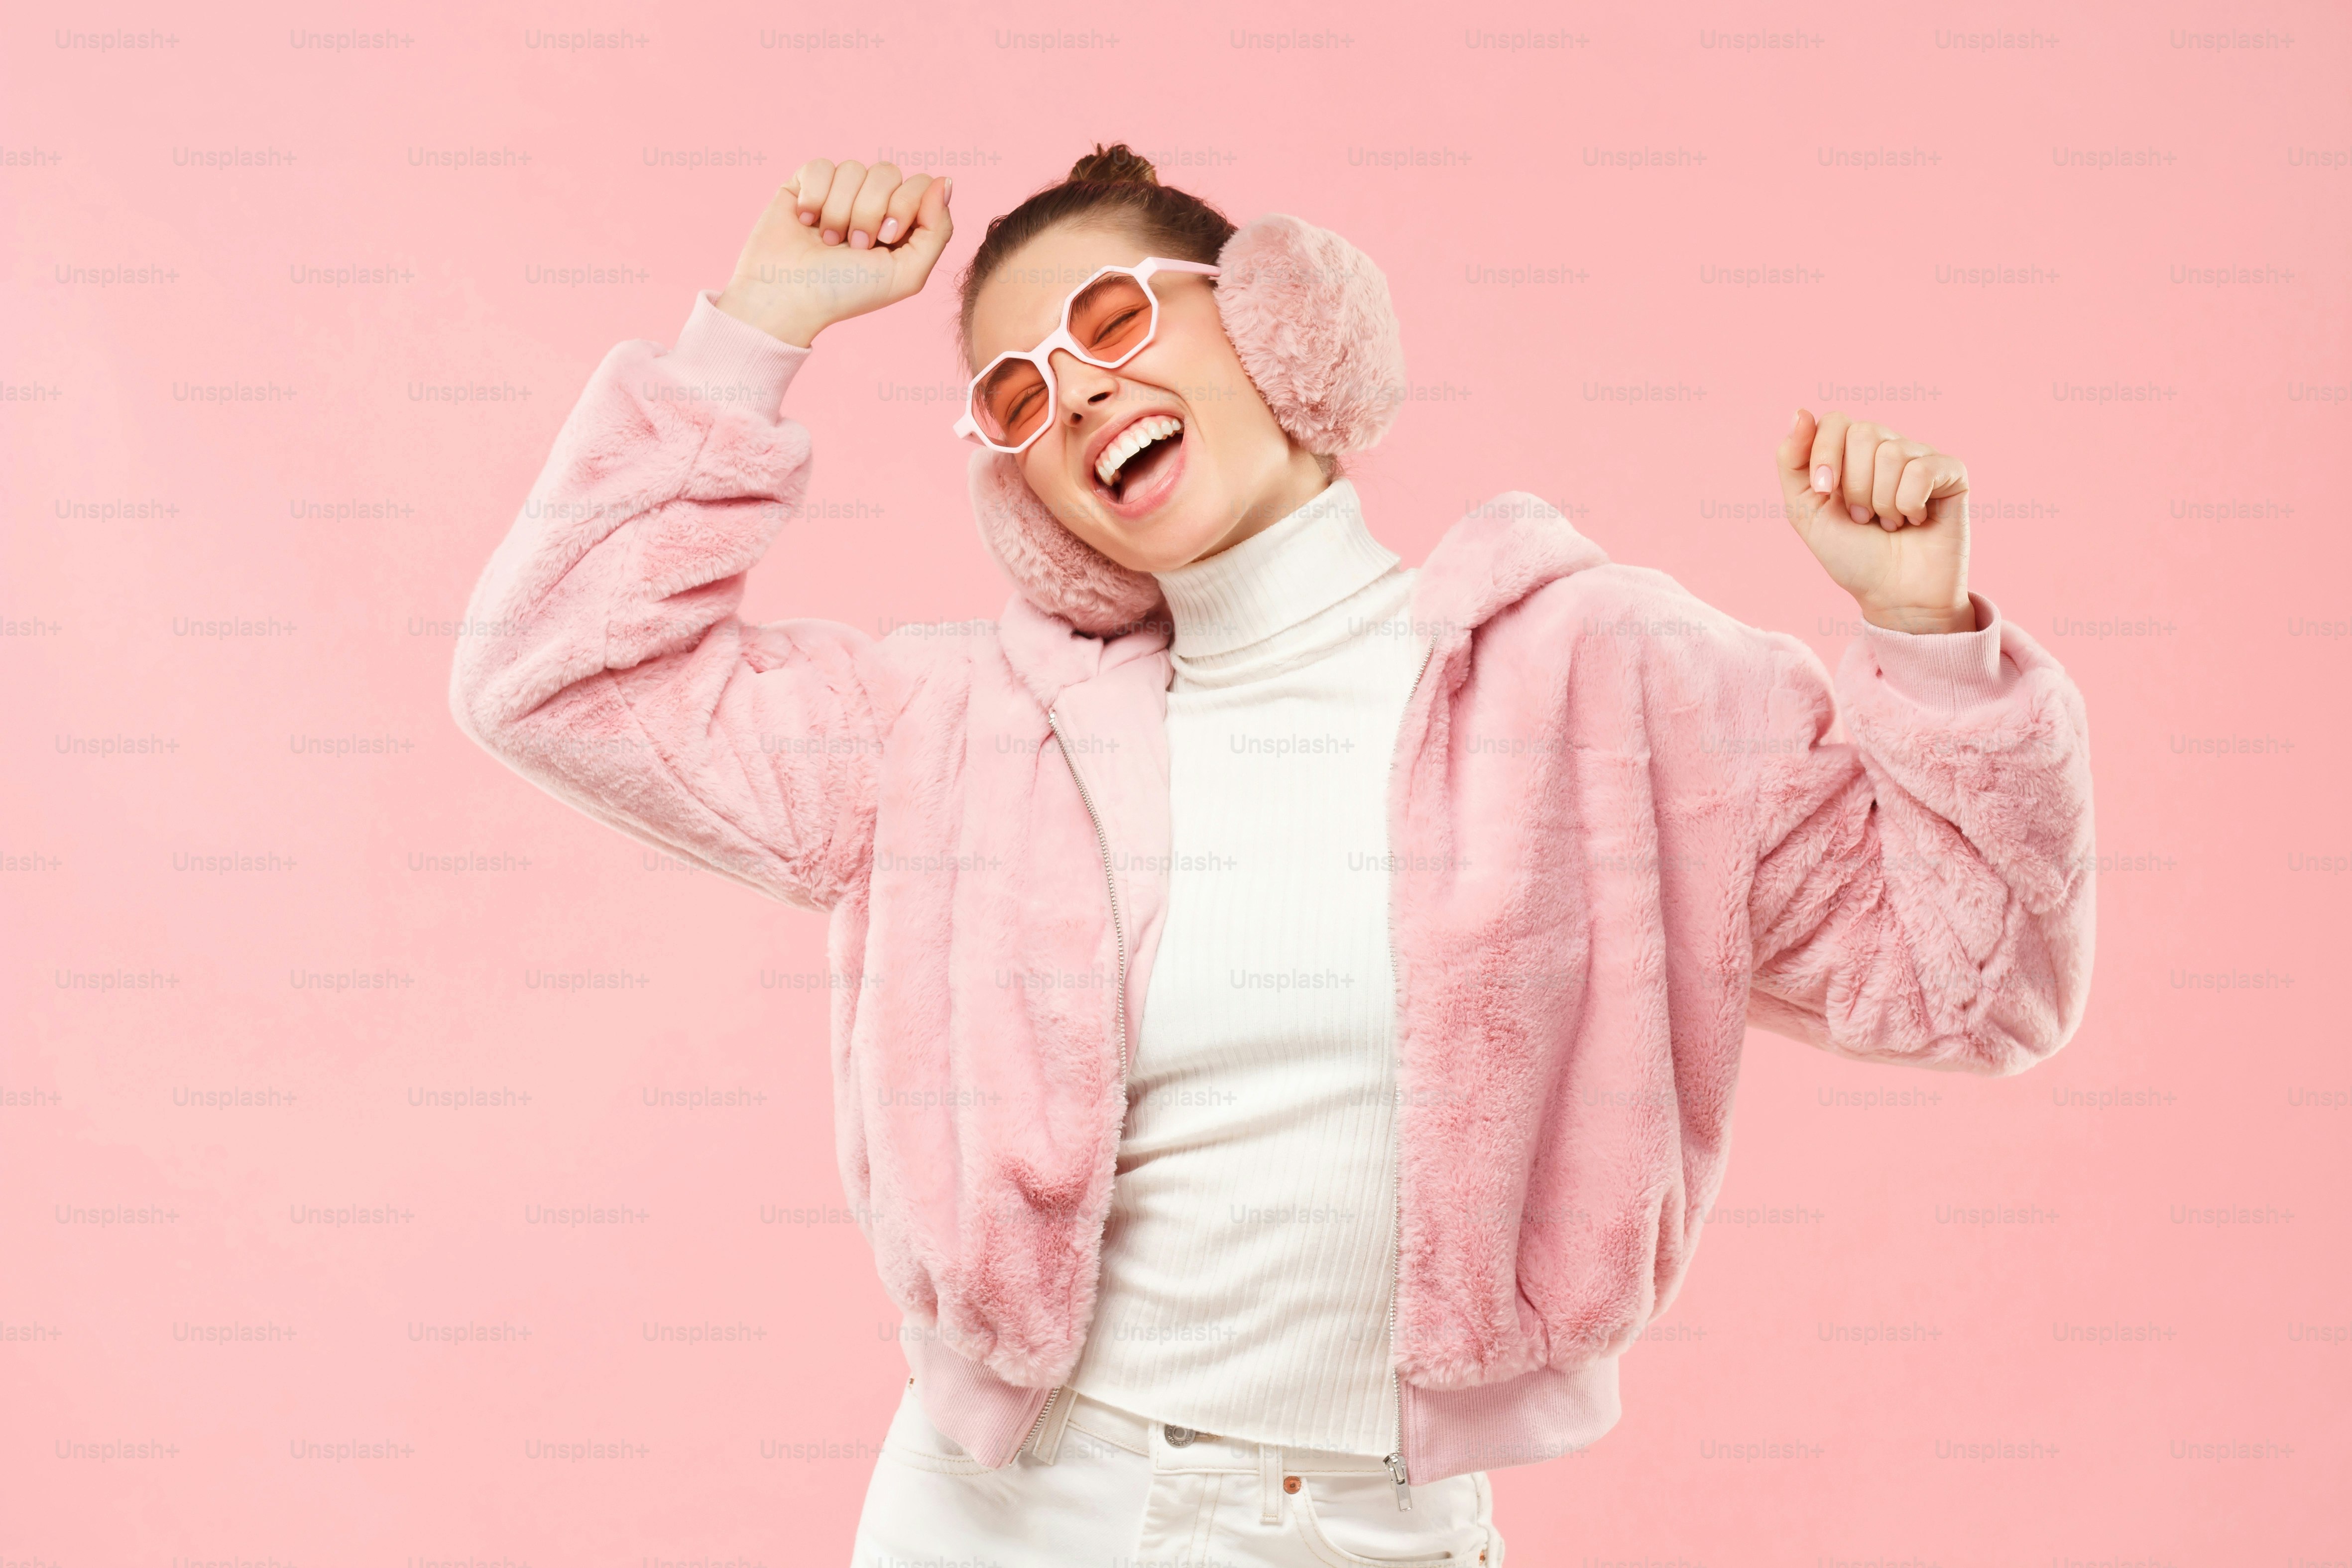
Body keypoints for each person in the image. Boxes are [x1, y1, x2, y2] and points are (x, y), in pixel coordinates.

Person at [449, 143, 2096, 1567]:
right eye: (1019, 395)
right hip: (1004, 1514)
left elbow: (1977, 988)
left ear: (1275, 319)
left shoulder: (1608, 683)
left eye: (1111, 320)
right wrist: (756, 328)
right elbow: (558, 676)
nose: (1076, 391)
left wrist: (1927, 642)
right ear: (1026, 494)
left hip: (1366, 1530)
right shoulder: (956, 735)